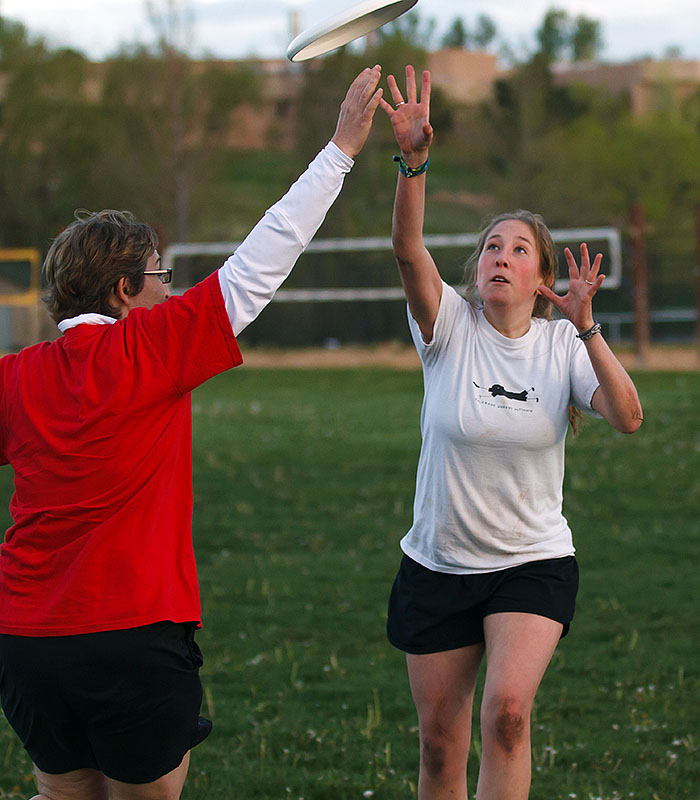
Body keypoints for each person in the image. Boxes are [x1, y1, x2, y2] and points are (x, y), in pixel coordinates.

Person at [0, 66, 383, 800]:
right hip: (131, 635)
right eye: (159, 274)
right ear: (123, 292)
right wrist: (338, 149)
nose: (170, 288)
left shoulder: (15, 376)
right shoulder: (149, 347)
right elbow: (261, 261)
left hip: (25, 643)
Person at [379, 66, 642, 800]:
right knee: (438, 748)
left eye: (519, 250)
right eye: (493, 246)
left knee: (509, 716)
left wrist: (588, 328)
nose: (501, 256)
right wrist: (414, 162)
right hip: (437, 565)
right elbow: (407, 248)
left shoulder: (564, 345)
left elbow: (627, 416)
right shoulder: (448, 329)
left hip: (532, 563)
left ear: (543, 277)